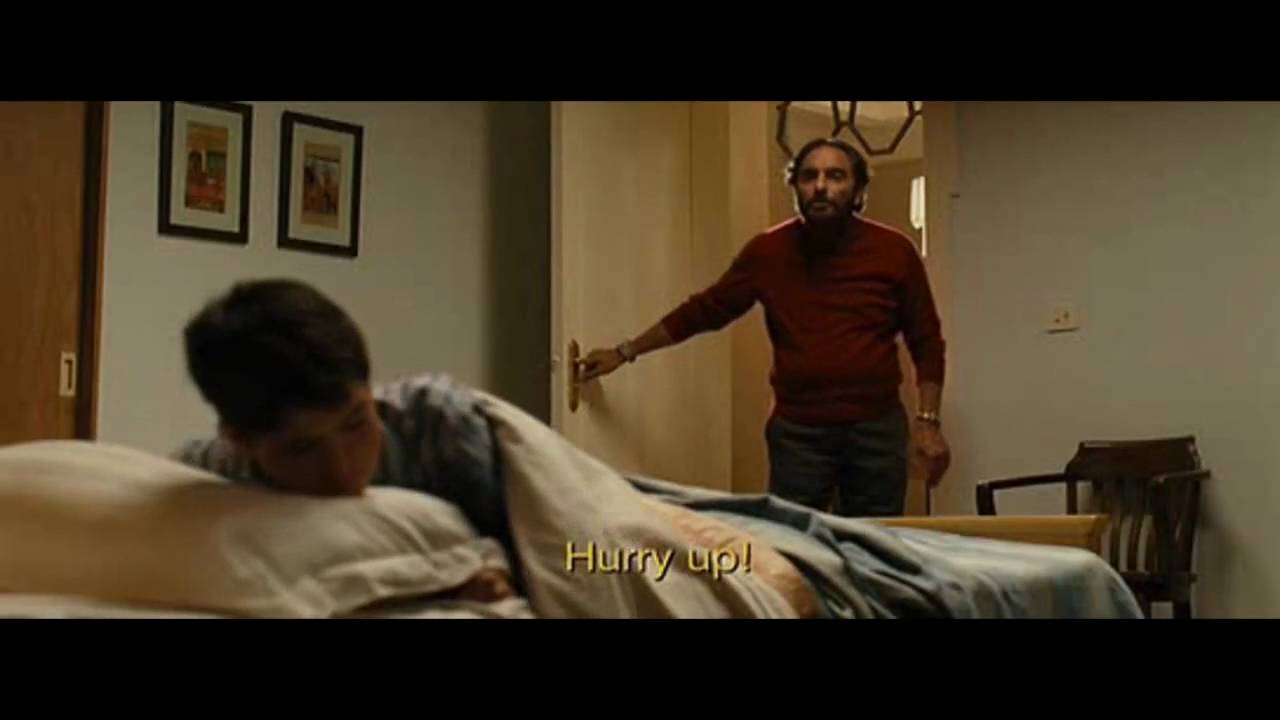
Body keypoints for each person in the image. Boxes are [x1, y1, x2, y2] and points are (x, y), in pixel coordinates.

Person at [578, 137, 950, 518]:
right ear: (796, 188)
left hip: (875, 430)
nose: (820, 186)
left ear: (857, 191)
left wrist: (928, 423)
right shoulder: (768, 252)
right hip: (799, 434)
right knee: (791, 541)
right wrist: (625, 352)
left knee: (874, 540)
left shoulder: (894, 252)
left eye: (835, 176)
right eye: (809, 176)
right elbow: (704, 311)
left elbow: (927, 342)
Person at [171, 278, 515, 603]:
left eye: (356, 423)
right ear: (240, 441)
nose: (341, 467)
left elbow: (526, 549)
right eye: (302, 448)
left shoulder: (436, 426)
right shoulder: (207, 478)